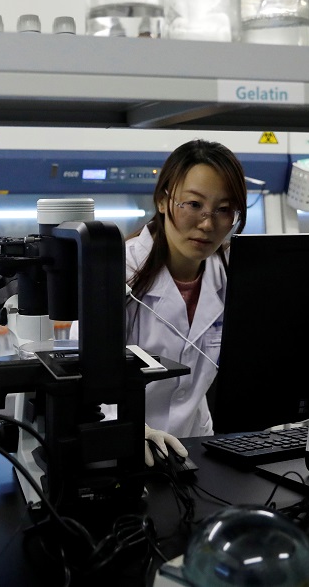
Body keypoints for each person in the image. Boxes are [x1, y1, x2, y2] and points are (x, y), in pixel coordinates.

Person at [126, 139, 247, 443]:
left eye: (223, 209)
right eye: (194, 205)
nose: (208, 224)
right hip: (122, 449)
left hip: (194, 447)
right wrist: (127, 433)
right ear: (163, 201)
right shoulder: (118, 273)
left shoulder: (235, 275)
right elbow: (84, 378)